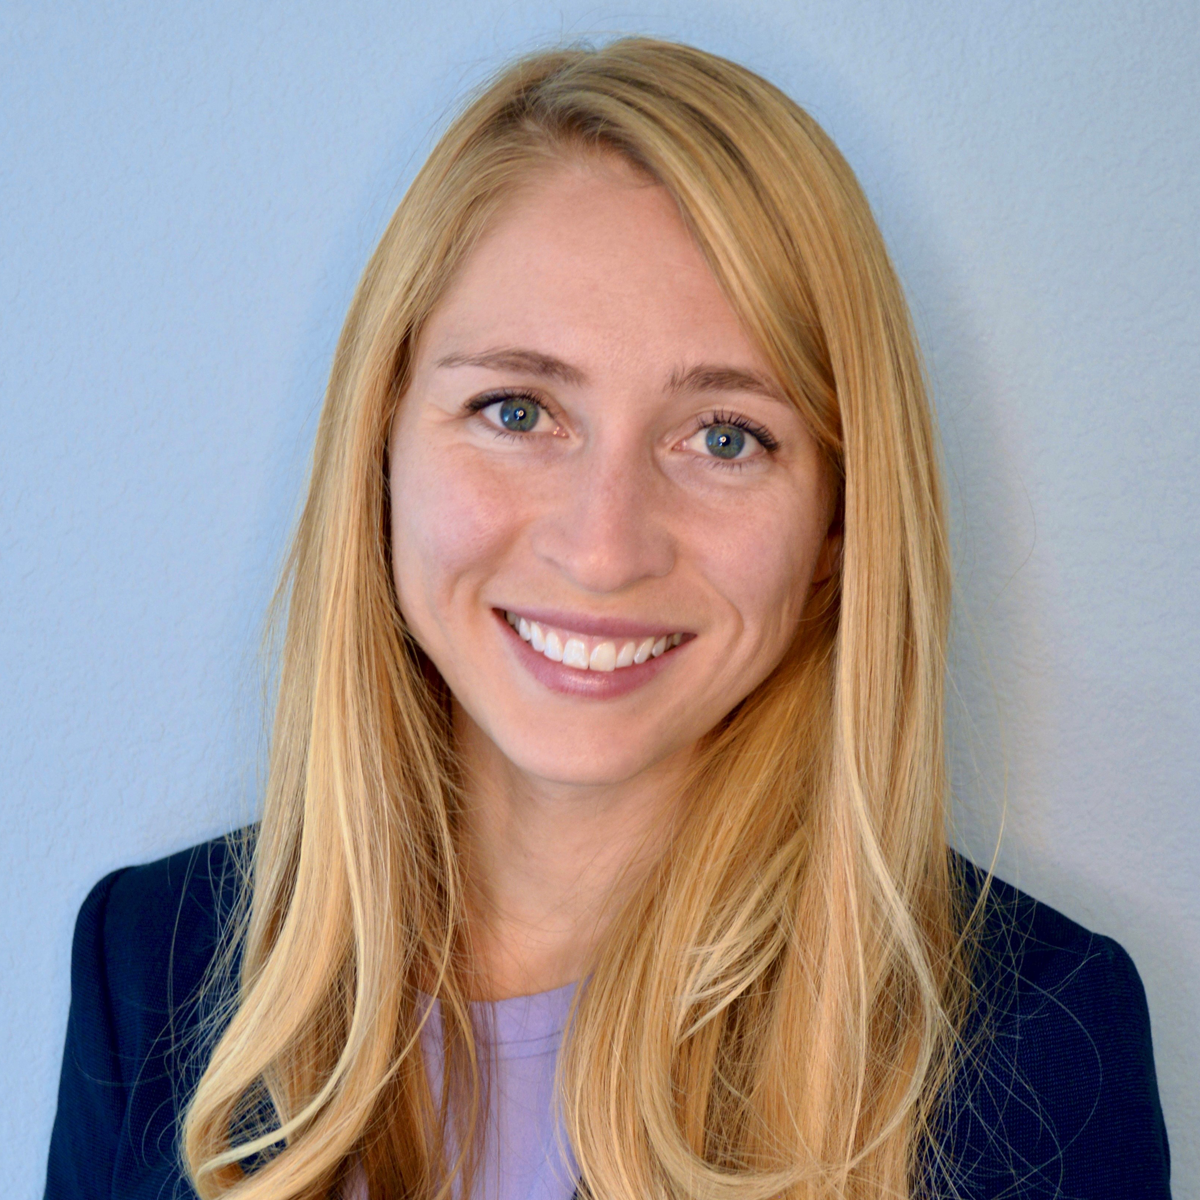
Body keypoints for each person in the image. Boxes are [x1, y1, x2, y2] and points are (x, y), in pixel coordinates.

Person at [44, 37, 1170, 1200]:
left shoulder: (1039, 1043)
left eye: (726, 436)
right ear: (380, 448)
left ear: (841, 525)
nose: (603, 544)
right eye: (517, 408)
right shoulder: (151, 958)